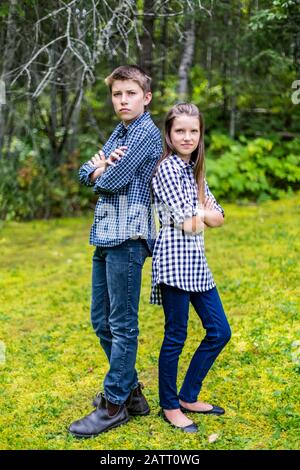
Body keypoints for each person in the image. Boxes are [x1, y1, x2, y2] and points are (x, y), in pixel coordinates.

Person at [69, 65, 163, 438]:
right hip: (105, 234)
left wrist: (100, 168)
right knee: (101, 320)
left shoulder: (144, 134)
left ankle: (113, 405)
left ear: (146, 97)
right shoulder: (120, 131)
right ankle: (133, 393)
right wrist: (96, 169)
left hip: (129, 236)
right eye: (117, 94)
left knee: (122, 325)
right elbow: (83, 172)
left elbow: (108, 180)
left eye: (130, 93)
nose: (122, 100)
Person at [150, 103, 231, 433]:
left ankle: (188, 395)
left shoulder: (194, 171)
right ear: (169, 134)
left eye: (193, 131)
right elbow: (191, 224)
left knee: (219, 331)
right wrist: (201, 213)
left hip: (196, 263)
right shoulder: (167, 169)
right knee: (176, 335)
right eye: (180, 130)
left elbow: (219, 217)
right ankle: (170, 406)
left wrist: (202, 214)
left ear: (200, 134)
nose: (187, 136)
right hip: (172, 261)